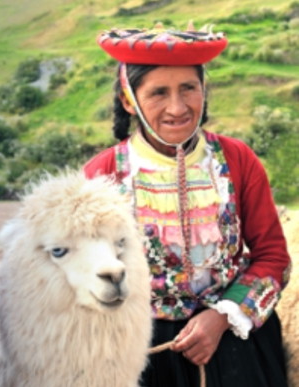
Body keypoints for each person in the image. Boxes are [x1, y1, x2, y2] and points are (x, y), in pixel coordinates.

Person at [84, 23, 291, 387]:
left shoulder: (237, 160)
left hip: (234, 343)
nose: (177, 108)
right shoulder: (102, 174)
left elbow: (273, 257)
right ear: (129, 99)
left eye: (188, 89)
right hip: (140, 351)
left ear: (204, 90)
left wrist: (223, 317)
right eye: (159, 93)